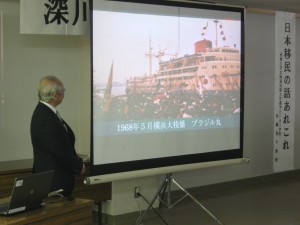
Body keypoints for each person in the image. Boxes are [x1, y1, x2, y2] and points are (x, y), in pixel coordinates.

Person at [30, 75, 85, 198]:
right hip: (54, 183)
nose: (64, 94)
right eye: (63, 91)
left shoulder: (47, 113)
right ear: (55, 95)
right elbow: (59, 150)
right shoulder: (44, 117)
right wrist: (78, 165)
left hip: (58, 179)